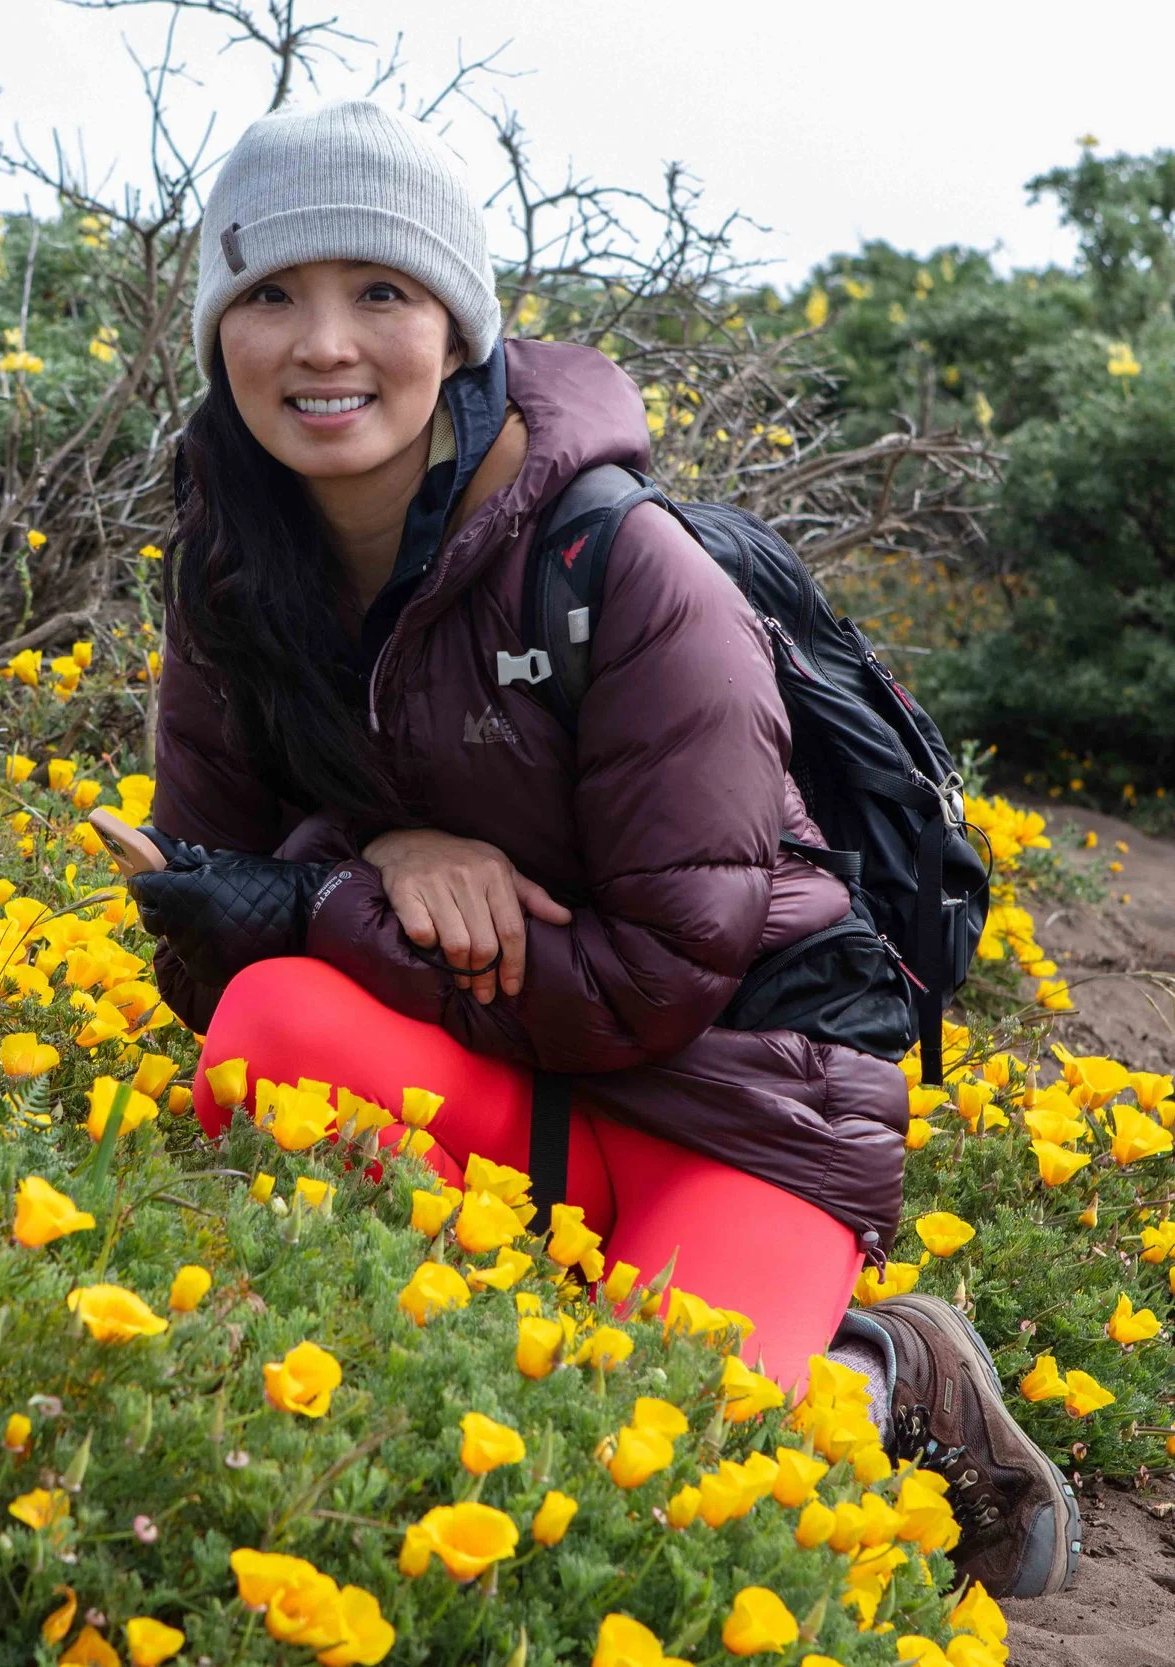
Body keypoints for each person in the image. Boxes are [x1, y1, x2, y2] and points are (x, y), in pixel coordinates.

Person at [125, 98, 1077, 1599]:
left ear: (457, 326)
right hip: (521, 1084)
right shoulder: (235, 576)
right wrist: (383, 855)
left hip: (736, 1096)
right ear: (215, 329)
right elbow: (216, 932)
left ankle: (881, 1372)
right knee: (264, 1027)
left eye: (379, 290)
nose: (323, 345)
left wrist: (329, 895)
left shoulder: (619, 566)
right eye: (269, 295)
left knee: (650, 1470)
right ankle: (676, 1326)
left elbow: (658, 975)